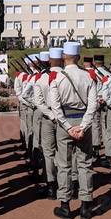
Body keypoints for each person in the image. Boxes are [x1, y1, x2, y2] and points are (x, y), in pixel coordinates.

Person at [50, 42, 97, 219]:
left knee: (64, 165)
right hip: (83, 122)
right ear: (78, 57)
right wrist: (83, 126)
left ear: (63, 57)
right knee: (85, 164)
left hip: (65, 125)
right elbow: (92, 106)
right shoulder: (88, 77)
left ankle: (65, 205)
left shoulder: (57, 78)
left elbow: (55, 108)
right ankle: (86, 206)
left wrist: (68, 127)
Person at [34, 48, 64, 199]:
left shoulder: (41, 79)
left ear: (50, 61)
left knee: (48, 152)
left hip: (48, 117)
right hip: (64, 118)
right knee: (64, 152)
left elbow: (38, 102)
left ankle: (51, 186)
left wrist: (51, 115)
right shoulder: (67, 77)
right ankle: (65, 185)